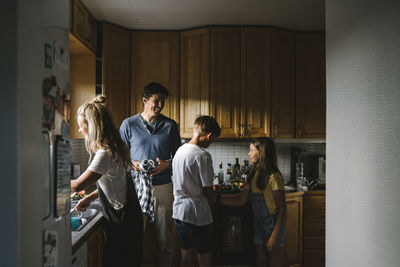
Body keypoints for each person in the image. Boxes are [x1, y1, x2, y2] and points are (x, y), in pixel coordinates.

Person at [70, 95, 143, 267]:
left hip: (122, 221)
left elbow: (77, 185)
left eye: (82, 126)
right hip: (128, 217)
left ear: (92, 126)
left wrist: (48, 180)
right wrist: (89, 198)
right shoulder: (114, 148)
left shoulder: (104, 154)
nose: (80, 130)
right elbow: (114, 184)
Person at [119, 82, 181, 267]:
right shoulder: (128, 124)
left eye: (163, 101)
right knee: (137, 236)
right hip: (137, 187)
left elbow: (179, 156)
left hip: (163, 187)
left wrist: (167, 165)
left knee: (165, 238)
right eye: (157, 100)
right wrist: (133, 164)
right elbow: (120, 157)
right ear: (144, 100)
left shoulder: (170, 125)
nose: (160, 105)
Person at [220, 137, 286, 267]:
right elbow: (241, 200)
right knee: (260, 259)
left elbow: (282, 209)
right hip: (258, 223)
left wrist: (274, 235)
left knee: (274, 262)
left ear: (262, 153)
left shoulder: (274, 177)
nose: (249, 154)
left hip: (273, 224)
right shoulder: (252, 174)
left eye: (251, 150)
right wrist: (217, 199)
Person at [172, 115, 221, 267]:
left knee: (186, 254)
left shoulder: (180, 150)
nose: (211, 142)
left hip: (180, 211)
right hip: (197, 213)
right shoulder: (203, 155)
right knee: (204, 254)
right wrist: (213, 200)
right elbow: (207, 189)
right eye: (213, 139)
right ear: (209, 135)